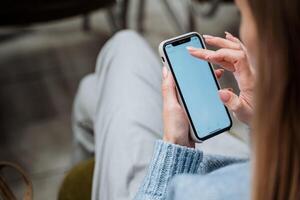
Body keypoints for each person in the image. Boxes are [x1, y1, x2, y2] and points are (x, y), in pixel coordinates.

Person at [72, 0, 300, 199]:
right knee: (90, 91)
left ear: (271, 40)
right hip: (248, 164)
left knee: (123, 46)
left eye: (245, 14)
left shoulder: (195, 192)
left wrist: (175, 145)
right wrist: (263, 121)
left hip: (176, 184)